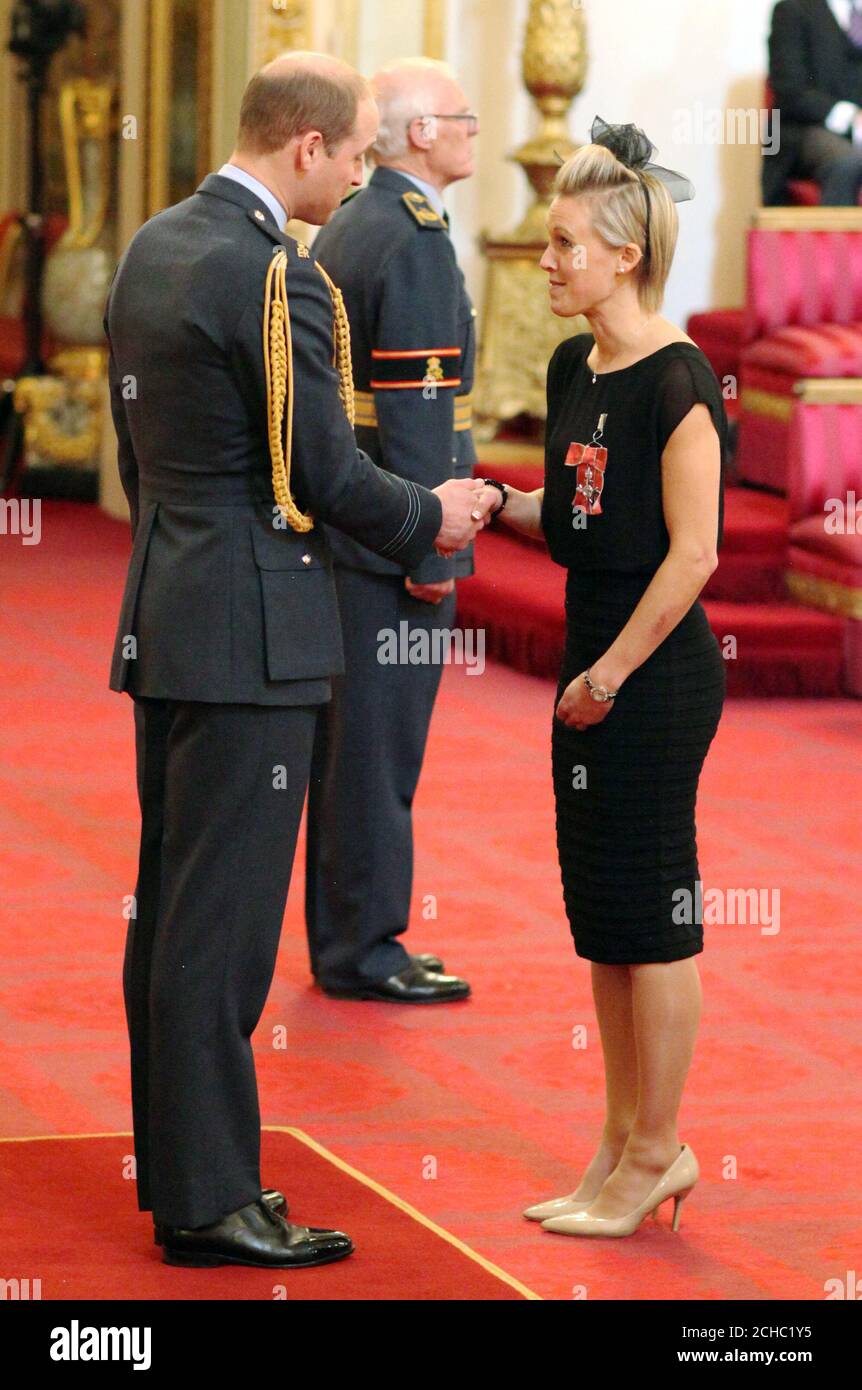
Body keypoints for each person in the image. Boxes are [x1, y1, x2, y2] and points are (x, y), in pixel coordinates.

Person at [105, 51, 490, 1270]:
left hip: (168, 605)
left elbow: (145, 444)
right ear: (308, 148)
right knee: (218, 931)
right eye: (360, 149)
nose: (367, 169)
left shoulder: (155, 239)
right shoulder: (280, 275)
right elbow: (320, 475)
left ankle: (178, 1167)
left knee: (170, 910)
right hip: (254, 631)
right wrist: (435, 516)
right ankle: (212, 1197)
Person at [477, 118, 727, 1237]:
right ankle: (621, 1143)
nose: (548, 262)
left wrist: (614, 673)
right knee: (604, 914)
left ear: (625, 254)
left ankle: (657, 1148)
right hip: (592, 669)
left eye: (566, 243)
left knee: (655, 913)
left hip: (653, 676)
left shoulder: (680, 381)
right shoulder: (575, 362)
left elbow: (693, 553)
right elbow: (578, 516)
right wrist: (491, 503)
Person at [305, 58, 479, 1003]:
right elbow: (419, 417)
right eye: (464, 118)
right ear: (420, 133)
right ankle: (365, 950)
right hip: (390, 541)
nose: (473, 132)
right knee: (377, 757)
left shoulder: (358, 221)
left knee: (351, 753)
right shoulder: (409, 239)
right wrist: (432, 547)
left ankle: (350, 940)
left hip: (351, 527)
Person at [765, 0, 862, 205]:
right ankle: (837, 237)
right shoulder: (793, 9)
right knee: (846, 161)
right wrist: (852, 117)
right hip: (806, 130)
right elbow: (790, 91)